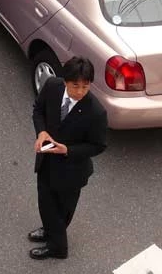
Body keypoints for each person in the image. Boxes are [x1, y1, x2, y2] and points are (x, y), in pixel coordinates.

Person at [28, 56, 107, 259]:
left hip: (72, 171)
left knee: (62, 210)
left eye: (85, 86)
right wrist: (41, 132)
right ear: (65, 81)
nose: (80, 91)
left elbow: (98, 146)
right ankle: (48, 230)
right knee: (45, 202)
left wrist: (68, 150)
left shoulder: (96, 112)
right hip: (46, 160)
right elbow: (38, 110)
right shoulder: (52, 86)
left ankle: (58, 248)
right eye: (75, 86)